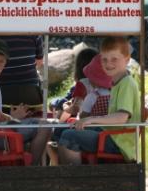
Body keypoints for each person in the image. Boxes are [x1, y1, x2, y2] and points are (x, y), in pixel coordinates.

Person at [57, 37, 140, 165]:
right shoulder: (116, 83)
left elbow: (121, 117)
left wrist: (91, 119)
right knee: (64, 130)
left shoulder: (127, 83)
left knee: (69, 137)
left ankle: (74, 181)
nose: (108, 64)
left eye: (114, 59)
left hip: (119, 142)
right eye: (104, 59)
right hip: (110, 134)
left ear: (127, 60)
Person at [47, 52, 112, 166]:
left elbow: (77, 109)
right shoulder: (114, 88)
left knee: (60, 131)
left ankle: (61, 161)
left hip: (92, 127)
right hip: (108, 128)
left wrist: (65, 107)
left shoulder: (86, 88)